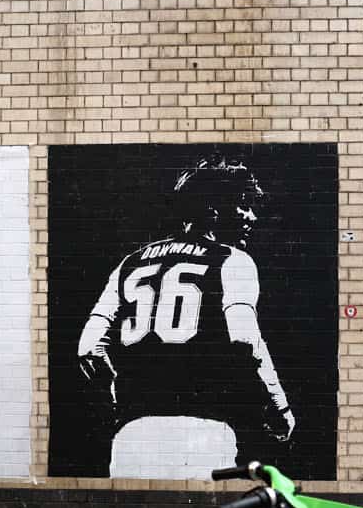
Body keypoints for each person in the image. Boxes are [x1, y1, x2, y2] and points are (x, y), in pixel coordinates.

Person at [77, 156, 295, 478]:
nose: (251, 216)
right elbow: (245, 341)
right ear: (213, 208)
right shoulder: (233, 260)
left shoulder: (130, 263)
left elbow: (88, 346)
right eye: (243, 205)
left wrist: (113, 395)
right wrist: (278, 404)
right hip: (202, 430)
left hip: (131, 433)